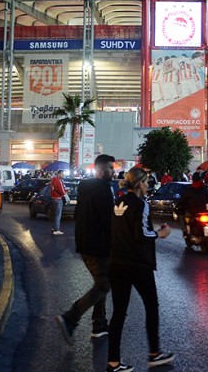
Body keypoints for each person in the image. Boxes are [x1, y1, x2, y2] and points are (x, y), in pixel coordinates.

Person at [106, 166, 175, 372]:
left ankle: (113, 362)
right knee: (151, 306)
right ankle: (154, 353)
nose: (147, 186)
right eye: (145, 182)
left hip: (116, 262)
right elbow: (142, 234)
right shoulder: (140, 204)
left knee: (119, 313)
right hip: (137, 264)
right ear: (138, 184)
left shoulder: (118, 202)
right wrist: (160, 234)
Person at [56, 154, 116, 344]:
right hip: (98, 246)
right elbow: (108, 221)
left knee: (101, 283)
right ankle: (70, 317)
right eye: (110, 168)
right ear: (100, 169)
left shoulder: (87, 188)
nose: (113, 171)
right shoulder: (103, 190)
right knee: (104, 284)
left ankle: (99, 324)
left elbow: (79, 216)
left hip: (86, 244)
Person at [177, 171, 208, 236]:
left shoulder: (189, 190)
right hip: (203, 211)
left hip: (192, 212)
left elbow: (183, 200)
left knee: (181, 216)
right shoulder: (204, 188)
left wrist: (182, 204)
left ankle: (185, 232)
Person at [50, 170, 67, 235]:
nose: (63, 175)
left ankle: (54, 228)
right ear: (59, 174)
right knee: (58, 215)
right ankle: (56, 230)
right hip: (58, 198)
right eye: (62, 174)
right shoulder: (58, 181)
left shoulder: (53, 180)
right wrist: (65, 192)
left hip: (53, 198)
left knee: (55, 214)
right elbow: (61, 190)